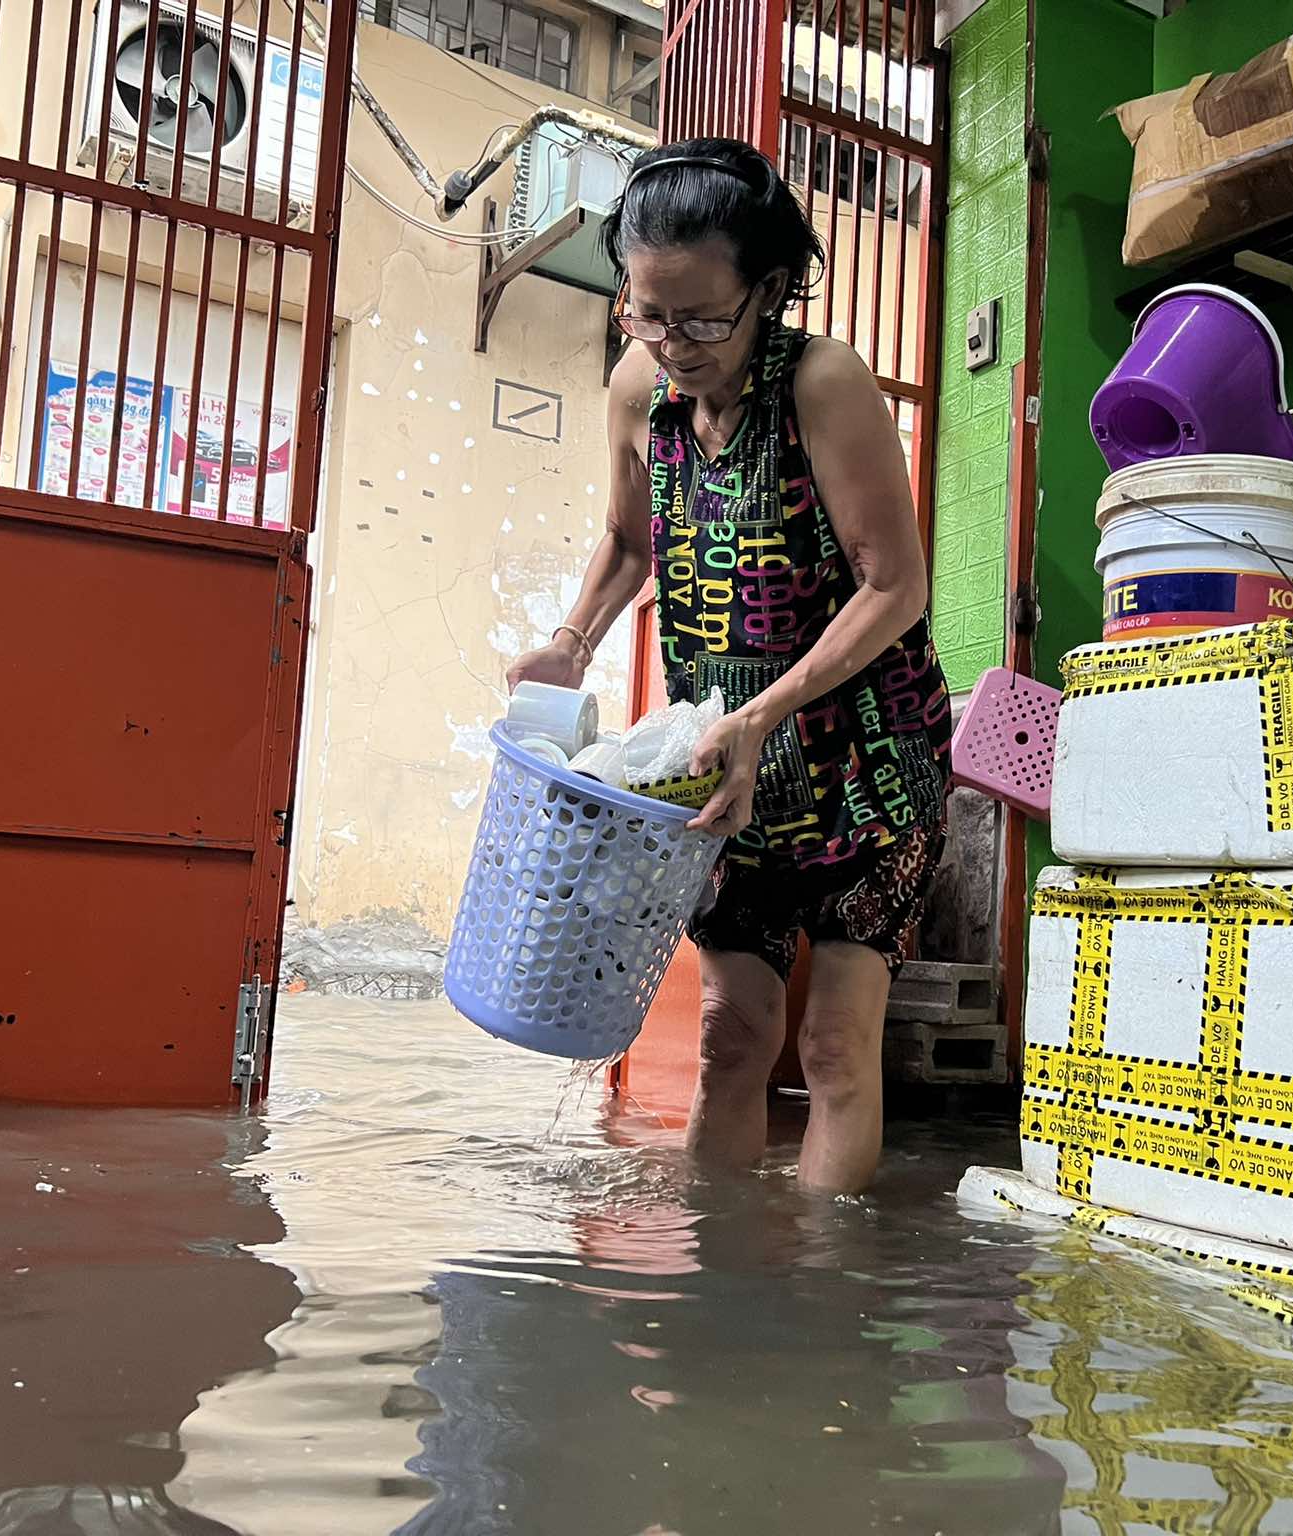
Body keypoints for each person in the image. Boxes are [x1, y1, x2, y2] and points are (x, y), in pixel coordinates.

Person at [505, 138, 953, 1195]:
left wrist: (767, 718)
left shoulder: (821, 383)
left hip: (864, 764)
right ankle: (723, 1299)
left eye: (703, 318)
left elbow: (896, 588)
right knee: (730, 1041)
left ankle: (817, 1310)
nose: (673, 344)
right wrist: (569, 642)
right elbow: (628, 544)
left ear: (770, 287)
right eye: (647, 313)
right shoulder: (639, 392)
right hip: (722, 771)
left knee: (836, 1049)